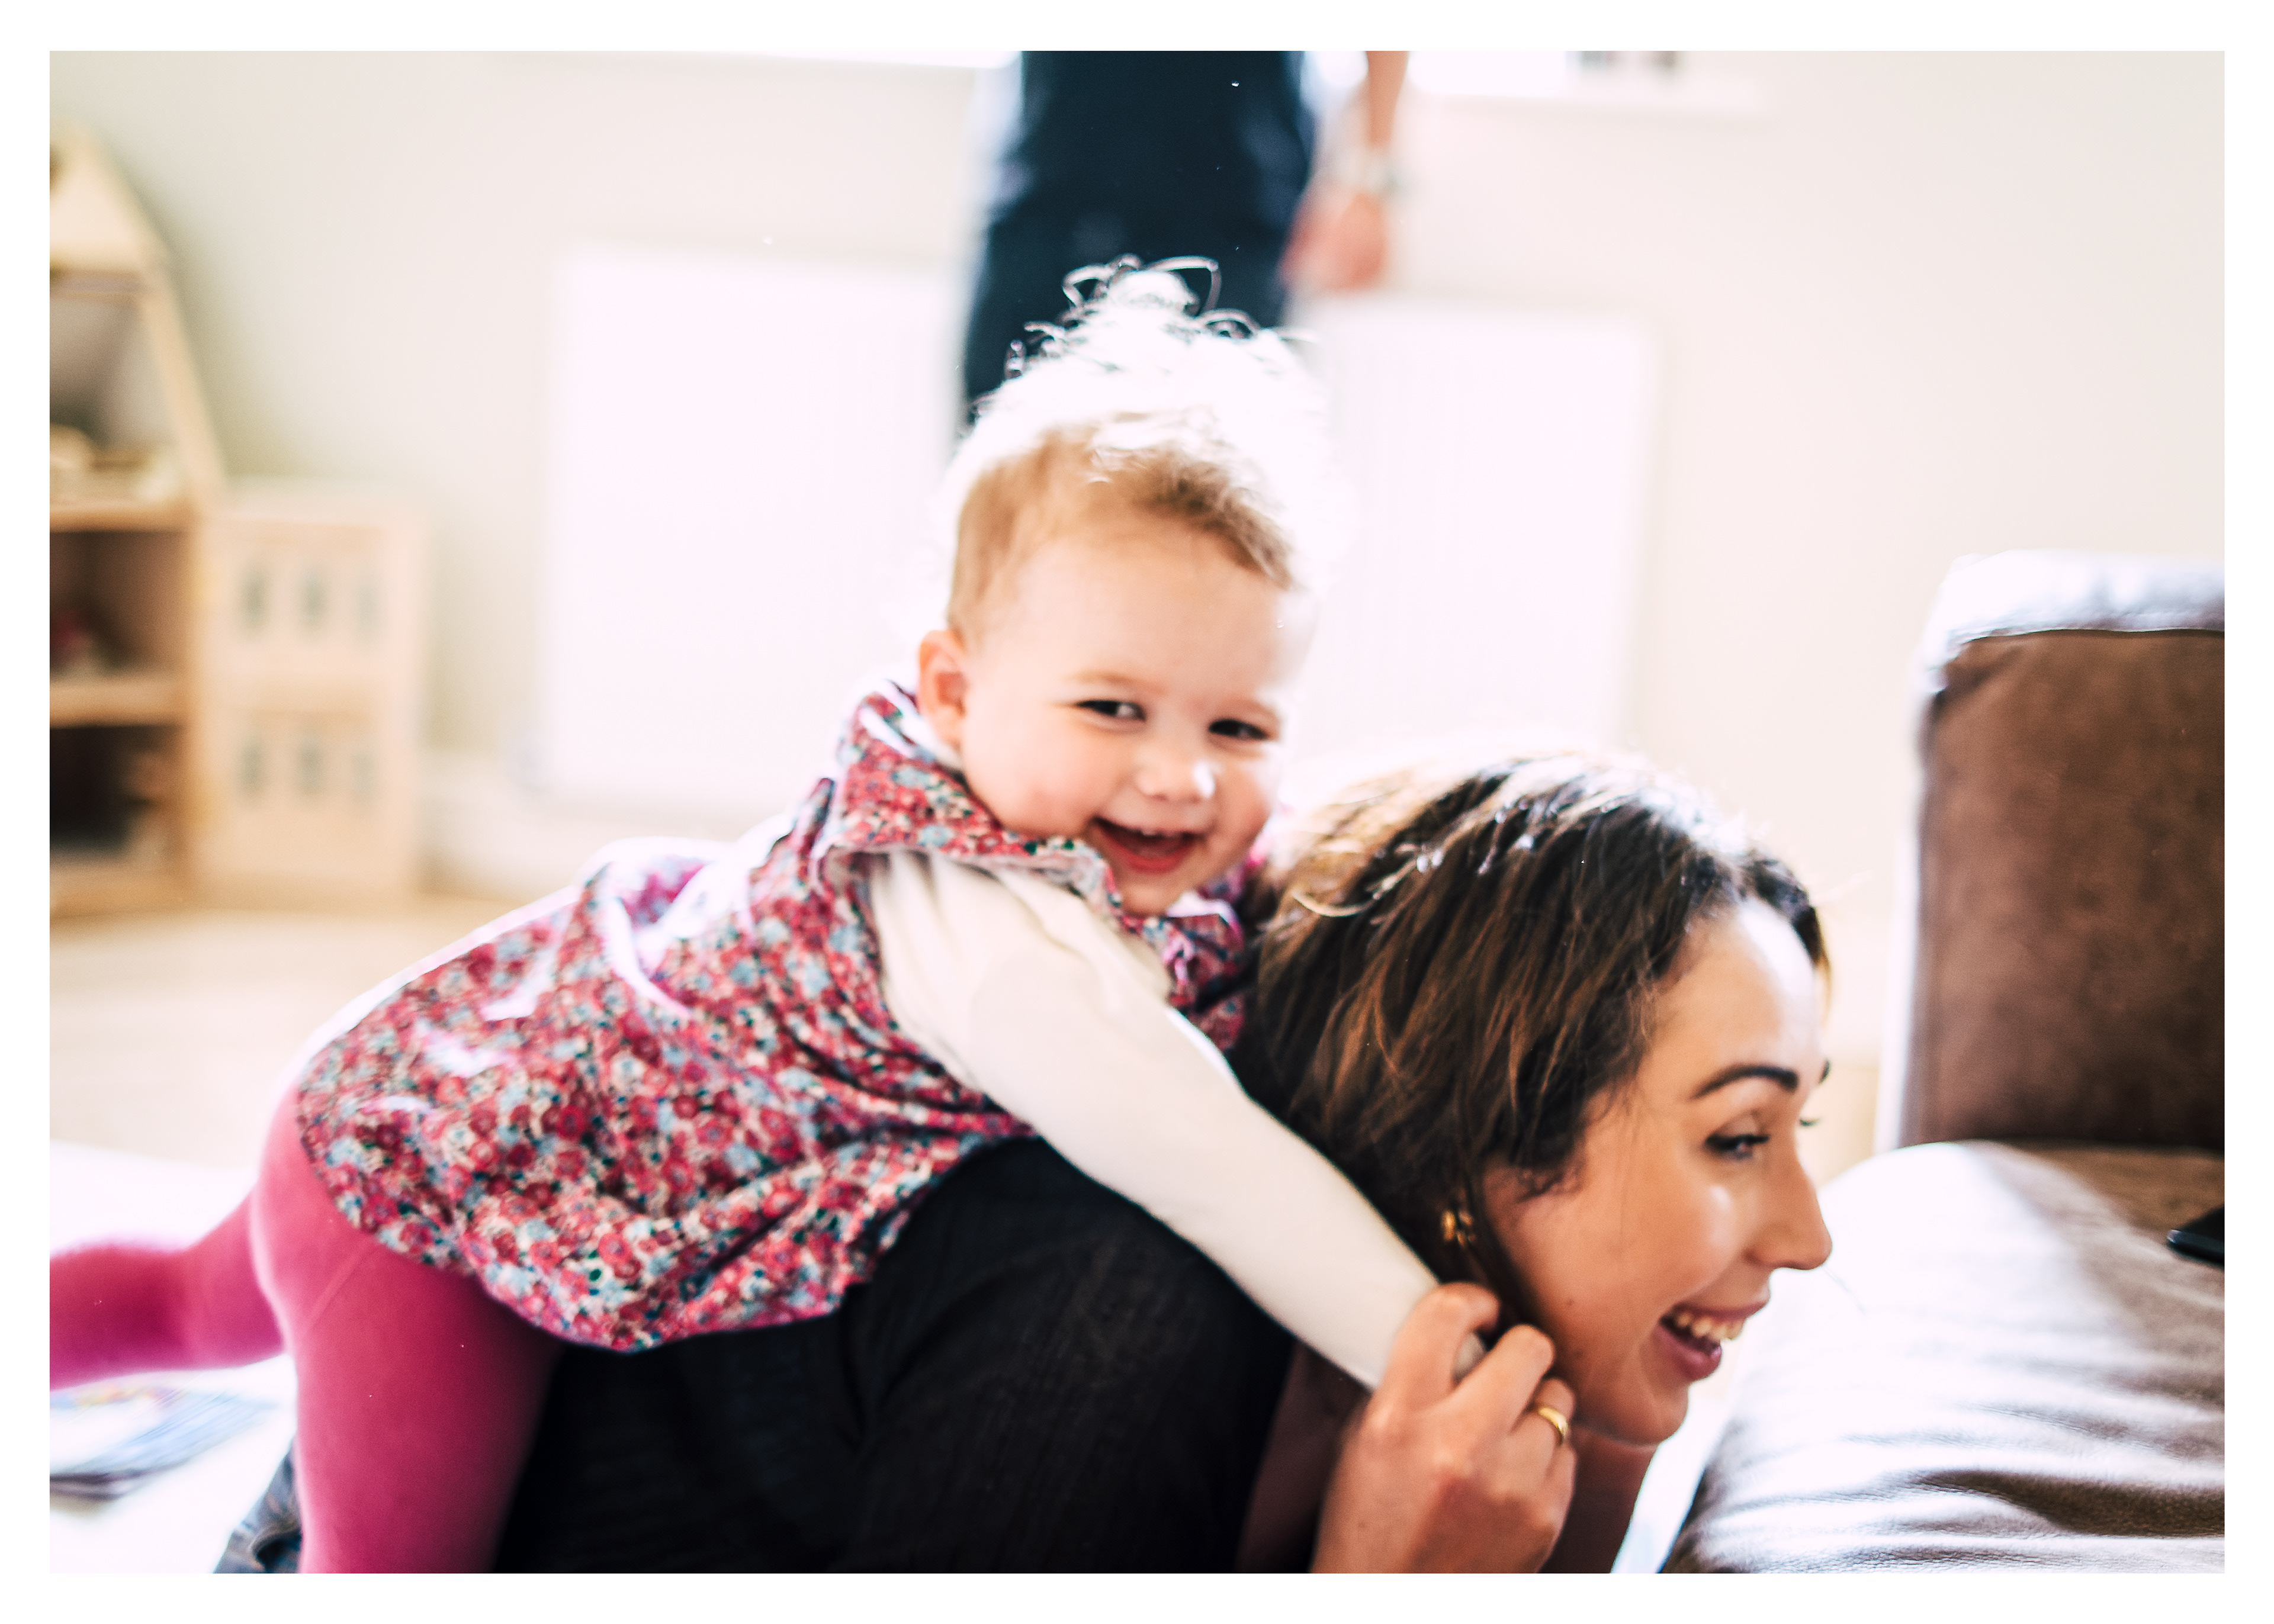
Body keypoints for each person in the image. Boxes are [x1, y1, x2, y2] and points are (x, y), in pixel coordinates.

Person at [51, 259, 1536, 1572]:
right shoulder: (989, 937)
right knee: (390, 1558)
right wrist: (1437, 1350)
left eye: (1240, 724)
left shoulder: (1087, 820)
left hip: (474, 1095)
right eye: (1114, 708)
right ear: (952, 691)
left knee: (188, 1299)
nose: (1180, 774)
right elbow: (1210, 1161)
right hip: (423, 1194)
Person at [361, 752, 1835, 1571]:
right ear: (1469, 1143)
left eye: (1799, 1130)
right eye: (1735, 1136)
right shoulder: (1113, 1317)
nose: (1808, 1236)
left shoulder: (1549, 1394)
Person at [962, 51, 1408, 414]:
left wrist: (1370, 176)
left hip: (1235, 207)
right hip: (1050, 190)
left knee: (1218, 478)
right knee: (1003, 470)